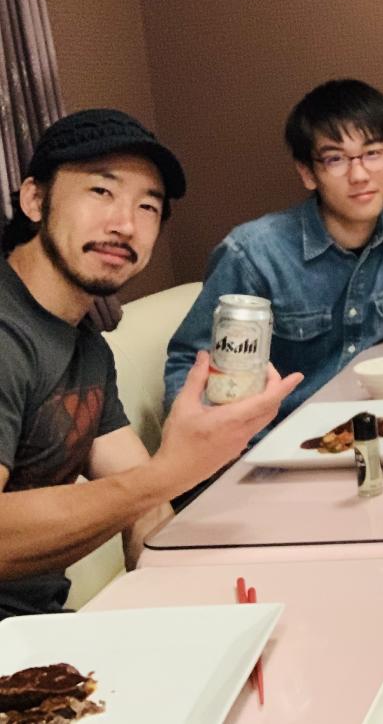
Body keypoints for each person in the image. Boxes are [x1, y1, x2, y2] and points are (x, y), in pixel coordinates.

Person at [0, 109, 301, 617]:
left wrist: (185, 606)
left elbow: (144, 506)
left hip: (41, 634)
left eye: (147, 206)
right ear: (34, 199)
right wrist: (172, 471)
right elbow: (151, 483)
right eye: (101, 191)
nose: (125, 225)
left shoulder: (85, 344)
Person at [165, 79, 383, 431]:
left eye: (372, 153)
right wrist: (247, 451)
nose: (359, 175)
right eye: (335, 159)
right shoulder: (254, 253)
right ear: (308, 172)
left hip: (382, 428)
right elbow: (192, 369)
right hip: (285, 439)